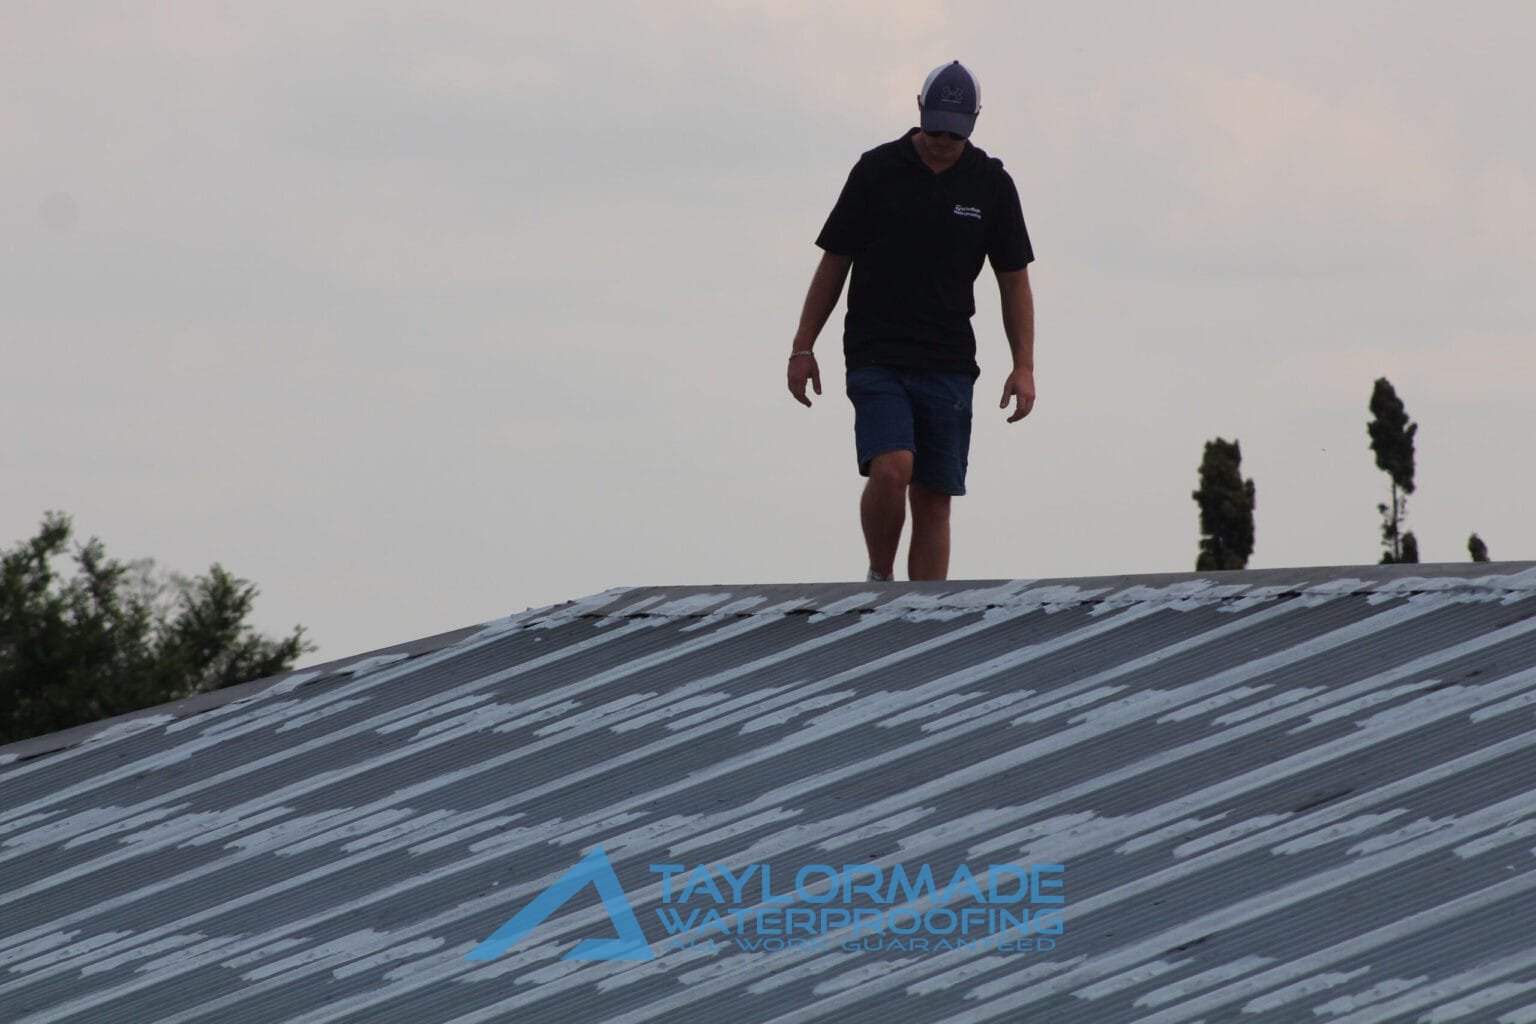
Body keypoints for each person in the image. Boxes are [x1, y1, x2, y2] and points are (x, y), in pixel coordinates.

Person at [786, 60, 1036, 582]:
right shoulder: (877, 171)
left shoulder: (991, 183)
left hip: (948, 360)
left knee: (934, 496)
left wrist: (1024, 366)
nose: (944, 140)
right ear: (919, 112)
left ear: (974, 122)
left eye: (956, 131)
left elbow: (1013, 280)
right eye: (936, 127)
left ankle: (925, 611)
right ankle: (881, 579)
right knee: (893, 465)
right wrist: (803, 346)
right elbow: (835, 261)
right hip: (878, 355)